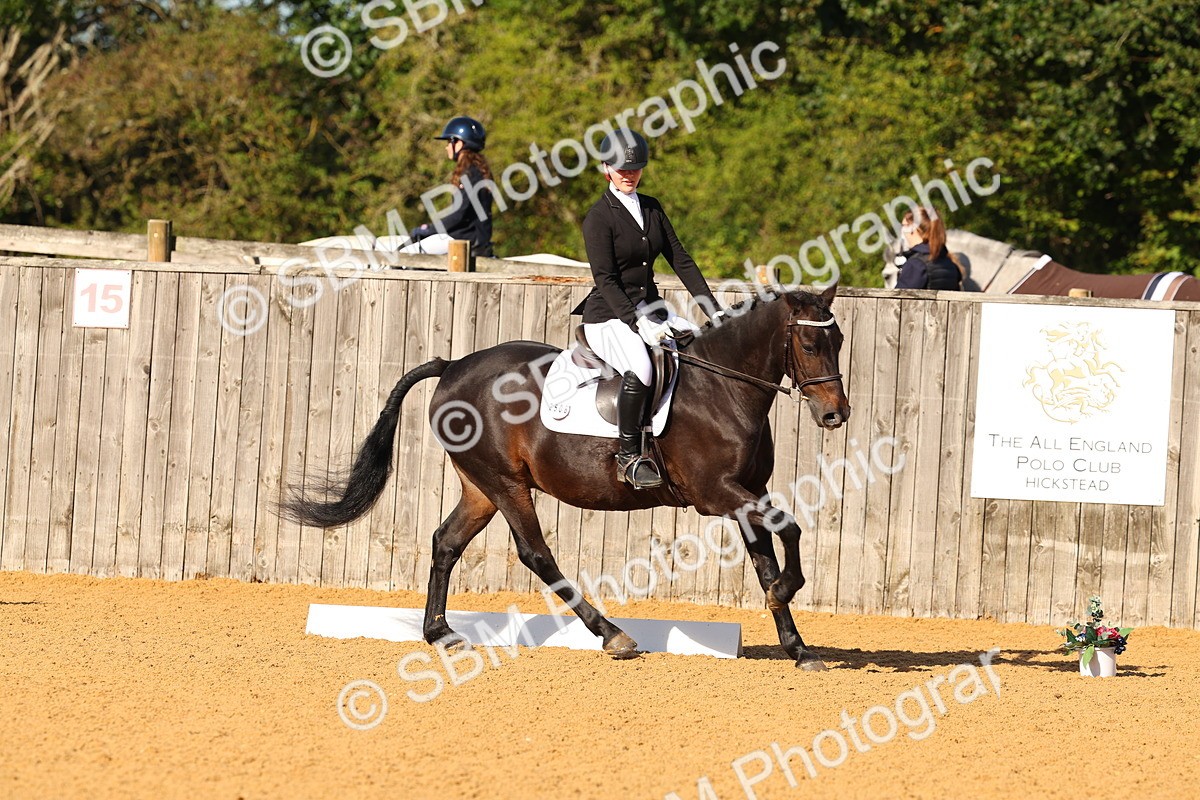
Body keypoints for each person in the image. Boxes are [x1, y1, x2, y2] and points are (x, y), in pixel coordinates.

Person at [572, 128, 725, 489]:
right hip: (609, 315)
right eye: (621, 168)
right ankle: (628, 455)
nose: (629, 175)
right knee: (640, 368)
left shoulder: (652, 207)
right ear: (605, 168)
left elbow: (681, 260)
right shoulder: (598, 218)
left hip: (650, 307)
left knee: (693, 344)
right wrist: (637, 322)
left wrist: (713, 309)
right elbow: (606, 280)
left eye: (635, 168)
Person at [402, 115, 494, 257]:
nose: (446, 147)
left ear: (459, 143)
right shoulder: (477, 170)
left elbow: (459, 214)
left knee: (403, 254)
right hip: (469, 237)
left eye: (449, 141)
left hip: (463, 239)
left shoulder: (470, 173)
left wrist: (430, 229)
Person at [894, 206, 965, 290]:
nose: (902, 231)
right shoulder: (950, 264)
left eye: (904, 226)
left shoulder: (916, 265)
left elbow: (897, 301)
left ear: (913, 228)